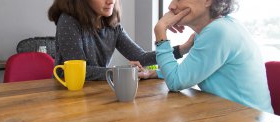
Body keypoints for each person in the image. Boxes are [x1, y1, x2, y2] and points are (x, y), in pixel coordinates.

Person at [143, 0, 273, 113]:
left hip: (247, 121)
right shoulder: (220, 26)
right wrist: (158, 73)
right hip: (236, 115)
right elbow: (191, 72)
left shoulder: (218, 31)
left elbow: (175, 82)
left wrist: (160, 30)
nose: (171, 6)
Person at [48, 0, 192, 80]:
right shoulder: (68, 21)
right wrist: (122, 72)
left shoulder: (113, 27)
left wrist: (183, 48)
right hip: (66, 95)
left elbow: (140, 57)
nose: (111, 1)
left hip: (98, 92)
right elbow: (79, 72)